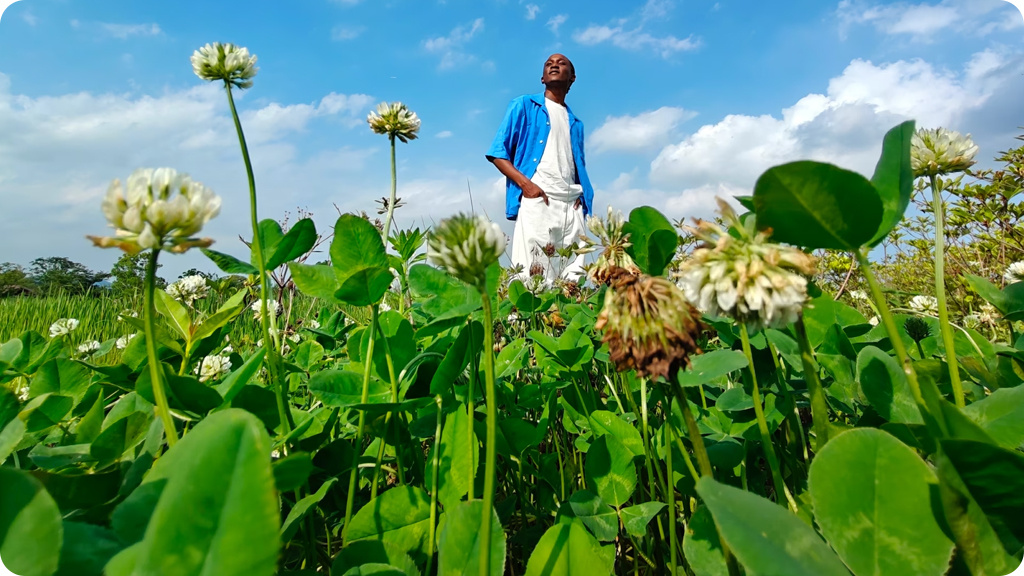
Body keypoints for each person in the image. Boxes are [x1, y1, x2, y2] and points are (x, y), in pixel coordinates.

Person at [486, 53, 594, 286]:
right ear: (542, 78)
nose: (554, 64)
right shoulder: (524, 105)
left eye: (562, 63)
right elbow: (497, 152)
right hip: (538, 198)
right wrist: (528, 186)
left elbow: (577, 165)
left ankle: (562, 322)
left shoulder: (576, 123)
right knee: (531, 273)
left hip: (572, 204)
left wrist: (581, 197)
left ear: (572, 78)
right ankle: (523, 321)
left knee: (572, 276)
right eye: (549, 63)